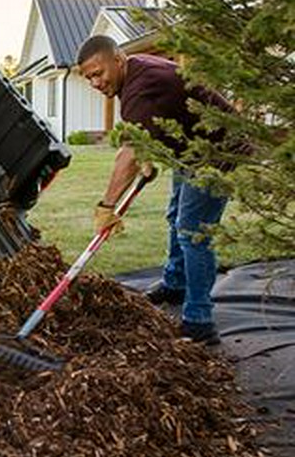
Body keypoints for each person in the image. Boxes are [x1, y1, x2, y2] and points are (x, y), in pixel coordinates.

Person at [77, 35, 235, 346]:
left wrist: (107, 205)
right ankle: (175, 283)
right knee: (176, 214)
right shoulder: (135, 71)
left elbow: (129, 154)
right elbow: (163, 115)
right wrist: (151, 153)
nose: (95, 83)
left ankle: (199, 321)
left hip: (216, 153)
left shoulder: (138, 87)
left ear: (118, 60)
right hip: (191, 149)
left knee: (193, 232)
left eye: (99, 73)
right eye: (88, 78)